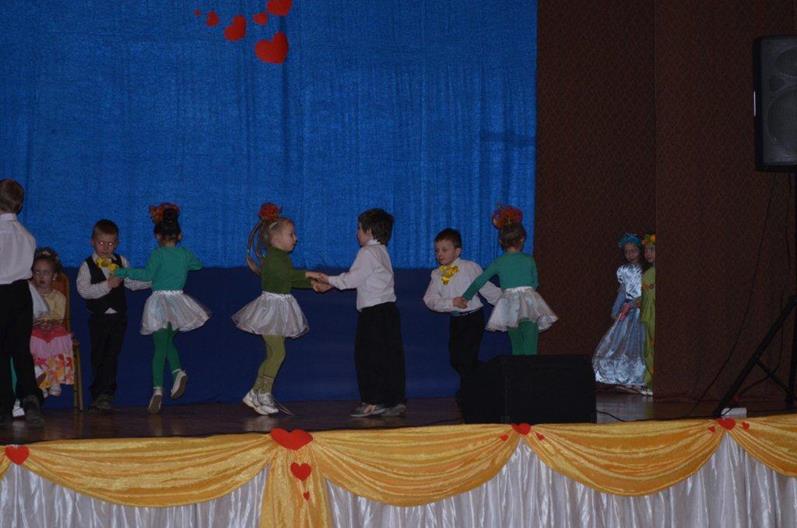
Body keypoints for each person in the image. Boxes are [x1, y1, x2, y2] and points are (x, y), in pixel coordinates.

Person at [307, 208, 406, 418]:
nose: (356, 233)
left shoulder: (367, 252)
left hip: (373, 315)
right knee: (390, 357)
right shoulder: (382, 252)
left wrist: (327, 279)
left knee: (368, 357)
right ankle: (393, 400)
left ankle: (372, 401)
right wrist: (332, 284)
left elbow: (352, 279)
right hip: (389, 312)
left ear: (369, 231)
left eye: (359, 228)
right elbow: (363, 278)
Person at [113, 203, 210, 413]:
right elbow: (198, 265)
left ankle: (157, 390)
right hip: (178, 303)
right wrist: (183, 263)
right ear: (179, 235)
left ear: (158, 236)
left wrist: (123, 272)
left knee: (159, 348)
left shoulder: (158, 254)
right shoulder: (184, 253)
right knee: (167, 343)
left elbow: (147, 275)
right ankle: (178, 372)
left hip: (159, 303)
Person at [232, 203, 318, 415]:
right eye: (291, 234)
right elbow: (287, 275)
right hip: (270, 311)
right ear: (275, 238)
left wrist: (313, 285)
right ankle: (264, 393)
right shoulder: (272, 259)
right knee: (278, 353)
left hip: (279, 309)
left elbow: (289, 280)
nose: (295, 238)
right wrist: (310, 275)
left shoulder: (282, 258)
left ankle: (255, 393)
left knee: (273, 353)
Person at [455, 206, 557, 356]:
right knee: (530, 347)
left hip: (510, 306)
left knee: (516, 347)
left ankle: (518, 370)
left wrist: (466, 297)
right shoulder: (529, 260)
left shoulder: (499, 262)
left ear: (501, 241)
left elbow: (479, 281)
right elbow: (535, 283)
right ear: (522, 239)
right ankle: (531, 370)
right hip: (529, 303)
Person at [77, 219, 149, 412]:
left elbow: (132, 282)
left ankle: (107, 395)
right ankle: (96, 394)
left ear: (116, 244)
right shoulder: (87, 265)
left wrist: (153, 279)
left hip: (118, 318)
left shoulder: (121, 261)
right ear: (92, 242)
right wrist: (107, 285)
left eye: (110, 243)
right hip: (98, 319)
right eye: (101, 243)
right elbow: (84, 291)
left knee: (111, 357)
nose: (106, 247)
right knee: (98, 356)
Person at [423, 228, 500, 406]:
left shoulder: (469, 267)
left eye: (444, 249)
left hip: (473, 318)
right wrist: (451, 302)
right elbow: (430, 300)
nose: (439, 254)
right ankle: (489, 375)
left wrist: (507, 301)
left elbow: (487, 289)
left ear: (457, 251)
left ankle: (469, 394)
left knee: (466, 358)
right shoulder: (437, 274)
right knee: (456, 359)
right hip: (456, 320)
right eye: (437, 250)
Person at [0, 179, 44, 426]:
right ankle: (31, 399)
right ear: (19, 205)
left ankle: (4, 407)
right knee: (21, 351)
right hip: (20, 295)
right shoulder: (27, 236)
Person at [592, 232, 646, 389]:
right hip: (627, 313)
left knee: (639, 345)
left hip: (641, 311)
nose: (630, 255)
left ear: (640, 251)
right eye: (627, 252)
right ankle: (623, 376)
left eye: (633, 251)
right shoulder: (623, 270)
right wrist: (615, 310)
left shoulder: (645, 270)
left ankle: (639, 378)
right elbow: (622, 292)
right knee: (620, 344)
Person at [29, 248, 74, 397]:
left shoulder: (59, 297)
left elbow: (59, 316)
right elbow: (25, 314)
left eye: (46, 272)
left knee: (59, 338)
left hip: (53, 328)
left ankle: (55, 379)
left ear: (54, 276)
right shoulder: (29, 294)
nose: (41, 276)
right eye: (37, 272)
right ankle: (41, 382)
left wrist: (50, 323)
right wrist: (36, 322)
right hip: (34, 328)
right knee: (33, 340)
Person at [640, 233, 656, 396]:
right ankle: (649, 382)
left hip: (656, 315)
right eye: (646, 250)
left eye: (652, 250)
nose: (648, 253)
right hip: (648, 316)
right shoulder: (647, 274)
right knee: (649, 350)